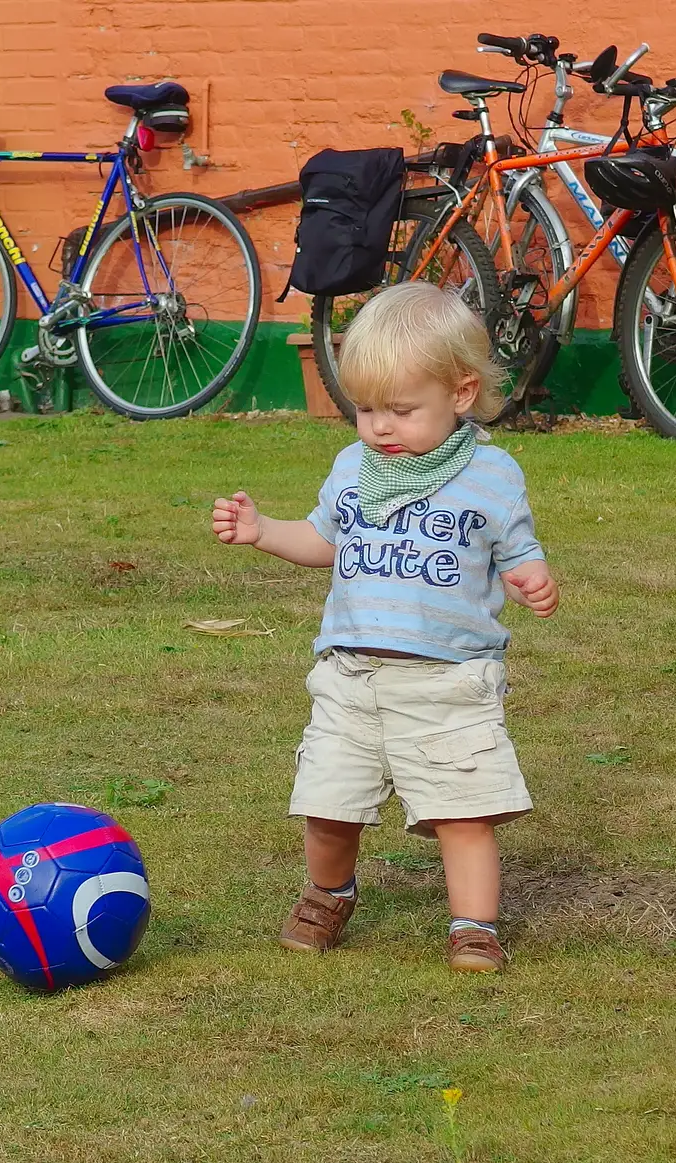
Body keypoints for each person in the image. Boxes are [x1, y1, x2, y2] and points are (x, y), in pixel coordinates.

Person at [211, 282, 558, 972]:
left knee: (465, 812)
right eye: (365, 409)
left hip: (447, 681)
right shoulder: (353, 468)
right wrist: (262, 531)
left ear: (461, 394)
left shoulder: (491, 475)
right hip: (352, 678)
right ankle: (327, 894)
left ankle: (474, 928)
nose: (379, 428)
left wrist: (533, 578)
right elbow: (324, 539)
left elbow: (518, 550)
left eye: (401, 410)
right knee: (329, 806)